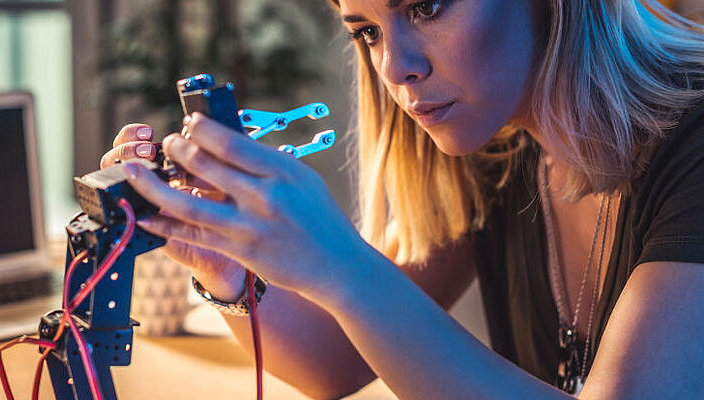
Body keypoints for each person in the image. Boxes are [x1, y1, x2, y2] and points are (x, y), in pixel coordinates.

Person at [100, 0, 704, 398]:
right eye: (366, 31)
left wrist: (340, 262)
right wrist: (223, 263)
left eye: (426, 5)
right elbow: (333, 360)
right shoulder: (498, 146)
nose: (394, 67)